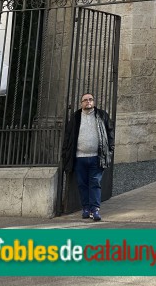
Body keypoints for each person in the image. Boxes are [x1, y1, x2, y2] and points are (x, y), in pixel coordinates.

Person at [61, 93, 115, 221]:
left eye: (90, 99)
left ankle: (95, 209)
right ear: (81, 103)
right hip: (79, 157)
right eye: (85, 100)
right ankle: (86, 208)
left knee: (95, 183)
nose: (88, 102)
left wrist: (110, 150)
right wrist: (66, 153)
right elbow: (68, 137)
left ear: (94, 102)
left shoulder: (102, 115)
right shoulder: (75, 117)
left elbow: (110, 133)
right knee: (82, 184)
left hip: (97, 157)